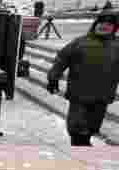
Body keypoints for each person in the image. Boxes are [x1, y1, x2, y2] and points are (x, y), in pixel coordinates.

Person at [46, 10, 119, 146]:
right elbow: (62, 59)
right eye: (101, 23)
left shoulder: (117, 46)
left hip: (102, 96)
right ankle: (80, 149)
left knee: (91, 128)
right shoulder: (80, 43)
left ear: (114, 28)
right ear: (95, 24)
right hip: (79, 95)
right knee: (76, 129)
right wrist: (53, 78)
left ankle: (83, 148)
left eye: (109, 24)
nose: (104, 26)